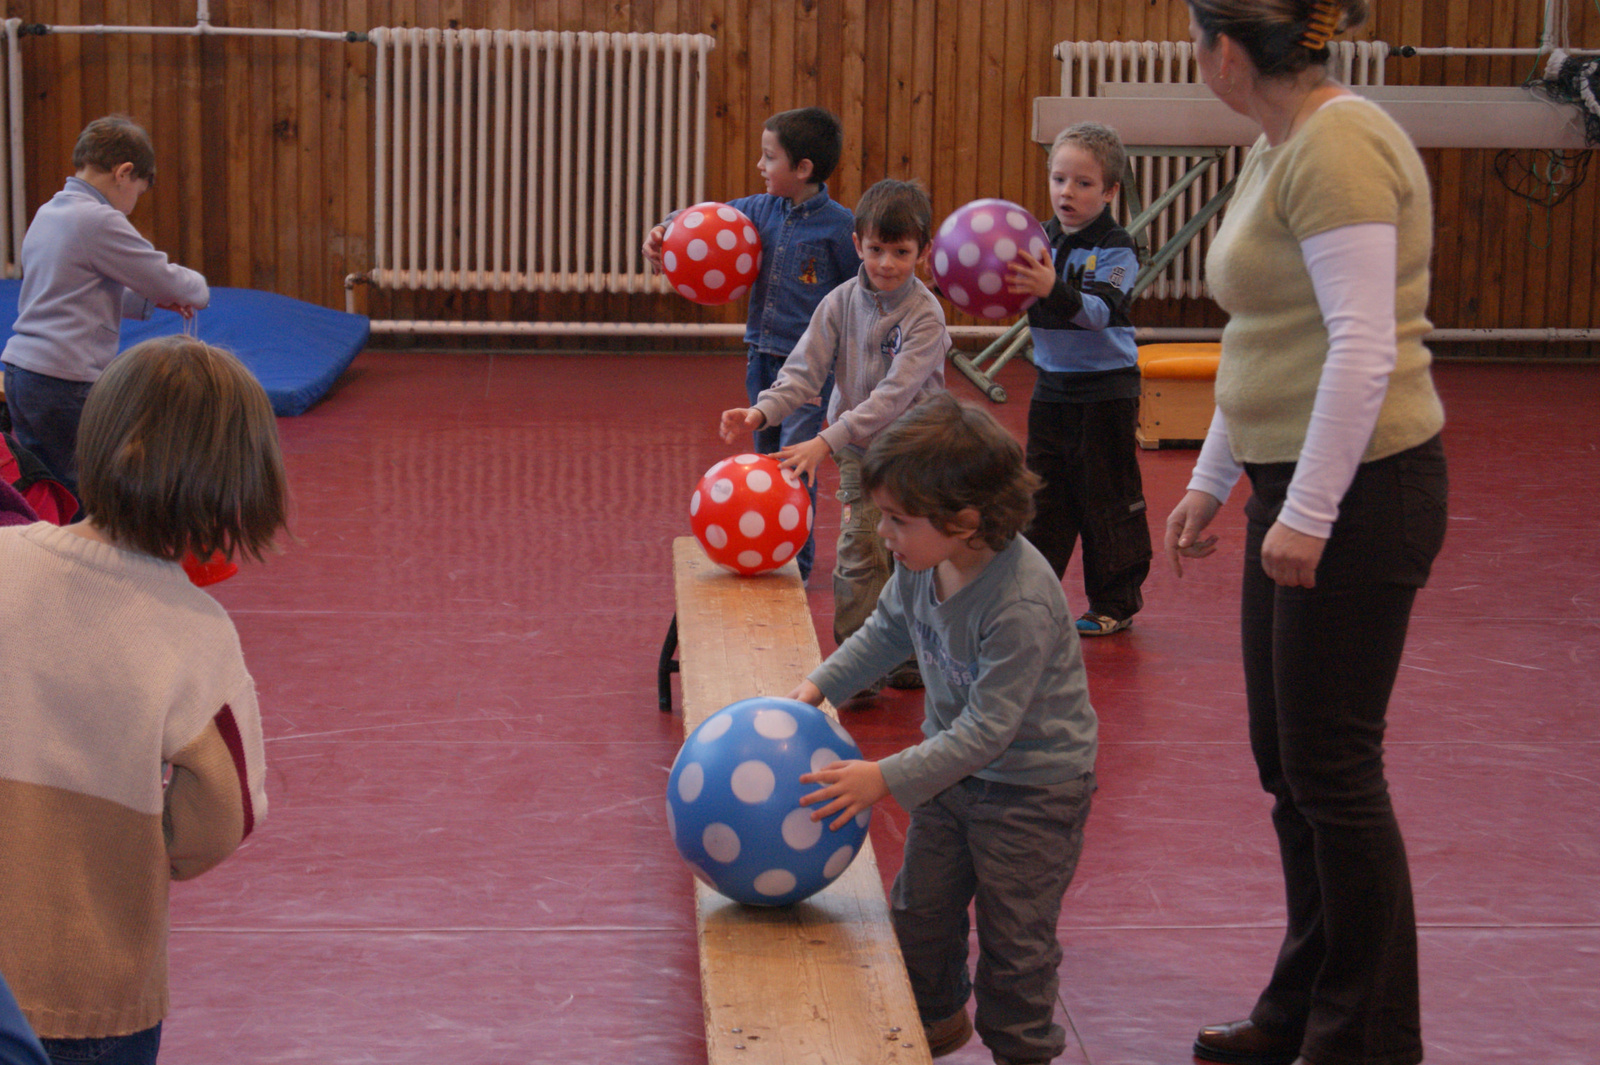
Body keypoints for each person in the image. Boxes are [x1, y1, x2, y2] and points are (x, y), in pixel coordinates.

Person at [1163, 3, 1449, 1065]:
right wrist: (1214, 476)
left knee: (1332, 769)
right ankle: (1300, 1008)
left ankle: (1364, 1040)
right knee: (1287, 765)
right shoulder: (1273, 144)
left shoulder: (1337, 143)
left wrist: (1308, 515)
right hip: (1298, 483)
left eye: (1195, 41)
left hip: (1364, 494)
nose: (1195, 59)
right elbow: (1268, 332)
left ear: (1226, 51)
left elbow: (1361, 348)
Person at [0, 336, 286, 1065]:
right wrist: (143, 850)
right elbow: (223, 816)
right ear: (237, 488)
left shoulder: (6, 559)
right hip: (93, 991)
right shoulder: (196, 633)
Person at [790, 393, 1097, 1065]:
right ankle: (932, 1020)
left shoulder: (1018, 603)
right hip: (950, 777)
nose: (885, 536)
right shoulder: (920, 563)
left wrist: (884, 777)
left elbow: (990, 729)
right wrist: (819, 688)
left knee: (1016, 941)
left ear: (963, 522)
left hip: (1032, 790)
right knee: (920, 913)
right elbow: (887, 631)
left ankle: (1022, 1049)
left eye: (898, 521)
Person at [719, 178, 948, 690]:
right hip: (860, 455)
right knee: (859, 550)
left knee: (914, 559)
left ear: (923, 253)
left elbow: (894, 395)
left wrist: (827, 440)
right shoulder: (839, 302)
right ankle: (858, 673)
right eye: (875, 250)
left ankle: (912, 655)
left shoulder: (926, 317)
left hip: (918, 454)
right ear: (856, 246)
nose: (887, 263)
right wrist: (761, 413)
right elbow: (804, 370)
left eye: (901, 252)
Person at [644, 106, 860, 580]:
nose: (760, 167)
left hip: (807, 368)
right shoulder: (759, 209)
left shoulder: (840, 227)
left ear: (802, 169)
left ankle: (796, 563)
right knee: (764, 454)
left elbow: (857, 290)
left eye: (769, 157)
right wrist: (664, 229)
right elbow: (701, 218)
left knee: (795, 460)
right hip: (760, 354)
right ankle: (766, 546)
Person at [2, 115, 209, 501]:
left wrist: (146, 301)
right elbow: (160, 274)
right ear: (124, 172)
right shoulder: (97, 219)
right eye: (138, 192)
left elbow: (70, 285)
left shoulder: (51, 212)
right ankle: (89, 559)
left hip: (23, 372)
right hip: (65, 377)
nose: (132, 207)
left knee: (46, 488)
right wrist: (198, 290)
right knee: (90, 490)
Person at [1006, 121, 1151, 637]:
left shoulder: (1118, 247)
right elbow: (1003, 293)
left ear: (1110, 191)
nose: (1067, 192)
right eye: (1059, 178)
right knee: (1042, 498)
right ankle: (1031, 599)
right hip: (1052, 388)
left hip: (1106, 392)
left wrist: (1050, 286)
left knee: (1105, 496)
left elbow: (1099, 312)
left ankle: (1115, 600)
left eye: (1083, 183)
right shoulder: (1037, 237)